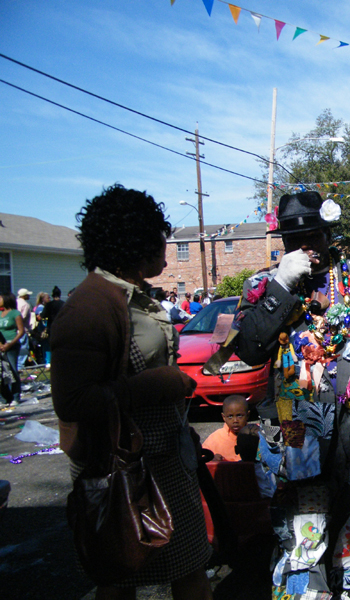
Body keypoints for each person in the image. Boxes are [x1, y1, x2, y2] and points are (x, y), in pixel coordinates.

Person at [229, 191, 350, 598]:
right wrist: (282, 285)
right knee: (302, 540)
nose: (305, 247)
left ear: (329, 233)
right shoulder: (265, 285)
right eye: (294, 240)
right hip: (296, 433)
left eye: (313, 235)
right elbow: (247, 347)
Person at [50, 184, 212, 599]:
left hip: (164, 462)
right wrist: (151, 386)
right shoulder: (90, 306)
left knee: (189, 565)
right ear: (133, 240)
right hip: (123, 472)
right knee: (121, 575)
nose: (166, 244)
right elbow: (71, 402)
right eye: (159, 236)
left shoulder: (133, 296)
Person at [202, 394, 249, 461]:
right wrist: (211, 459)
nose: (235, 421)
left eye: (239, 415)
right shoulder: (215, 439)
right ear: (224, 417)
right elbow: (200, 458)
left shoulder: (257, 436)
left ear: (247, 415)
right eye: (230, 416)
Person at [0, 293, 25, 406]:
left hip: (12, 344)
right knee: (3, 372)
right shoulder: (0, 313)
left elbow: (21, 331)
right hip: (1, 345)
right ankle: (5, 397)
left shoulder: (15, 313)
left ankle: (16, 396)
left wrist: (10, 344)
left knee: (12, 370)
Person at [16, 288, 34, 371]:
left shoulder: (15, 302)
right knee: (23, 349)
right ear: (25, 295)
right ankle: (19, 368)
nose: (29, 296)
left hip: (14, 330)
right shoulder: (25, 305)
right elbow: (21, 318)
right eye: (28, 294)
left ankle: (15, 366)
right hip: (22, 329)